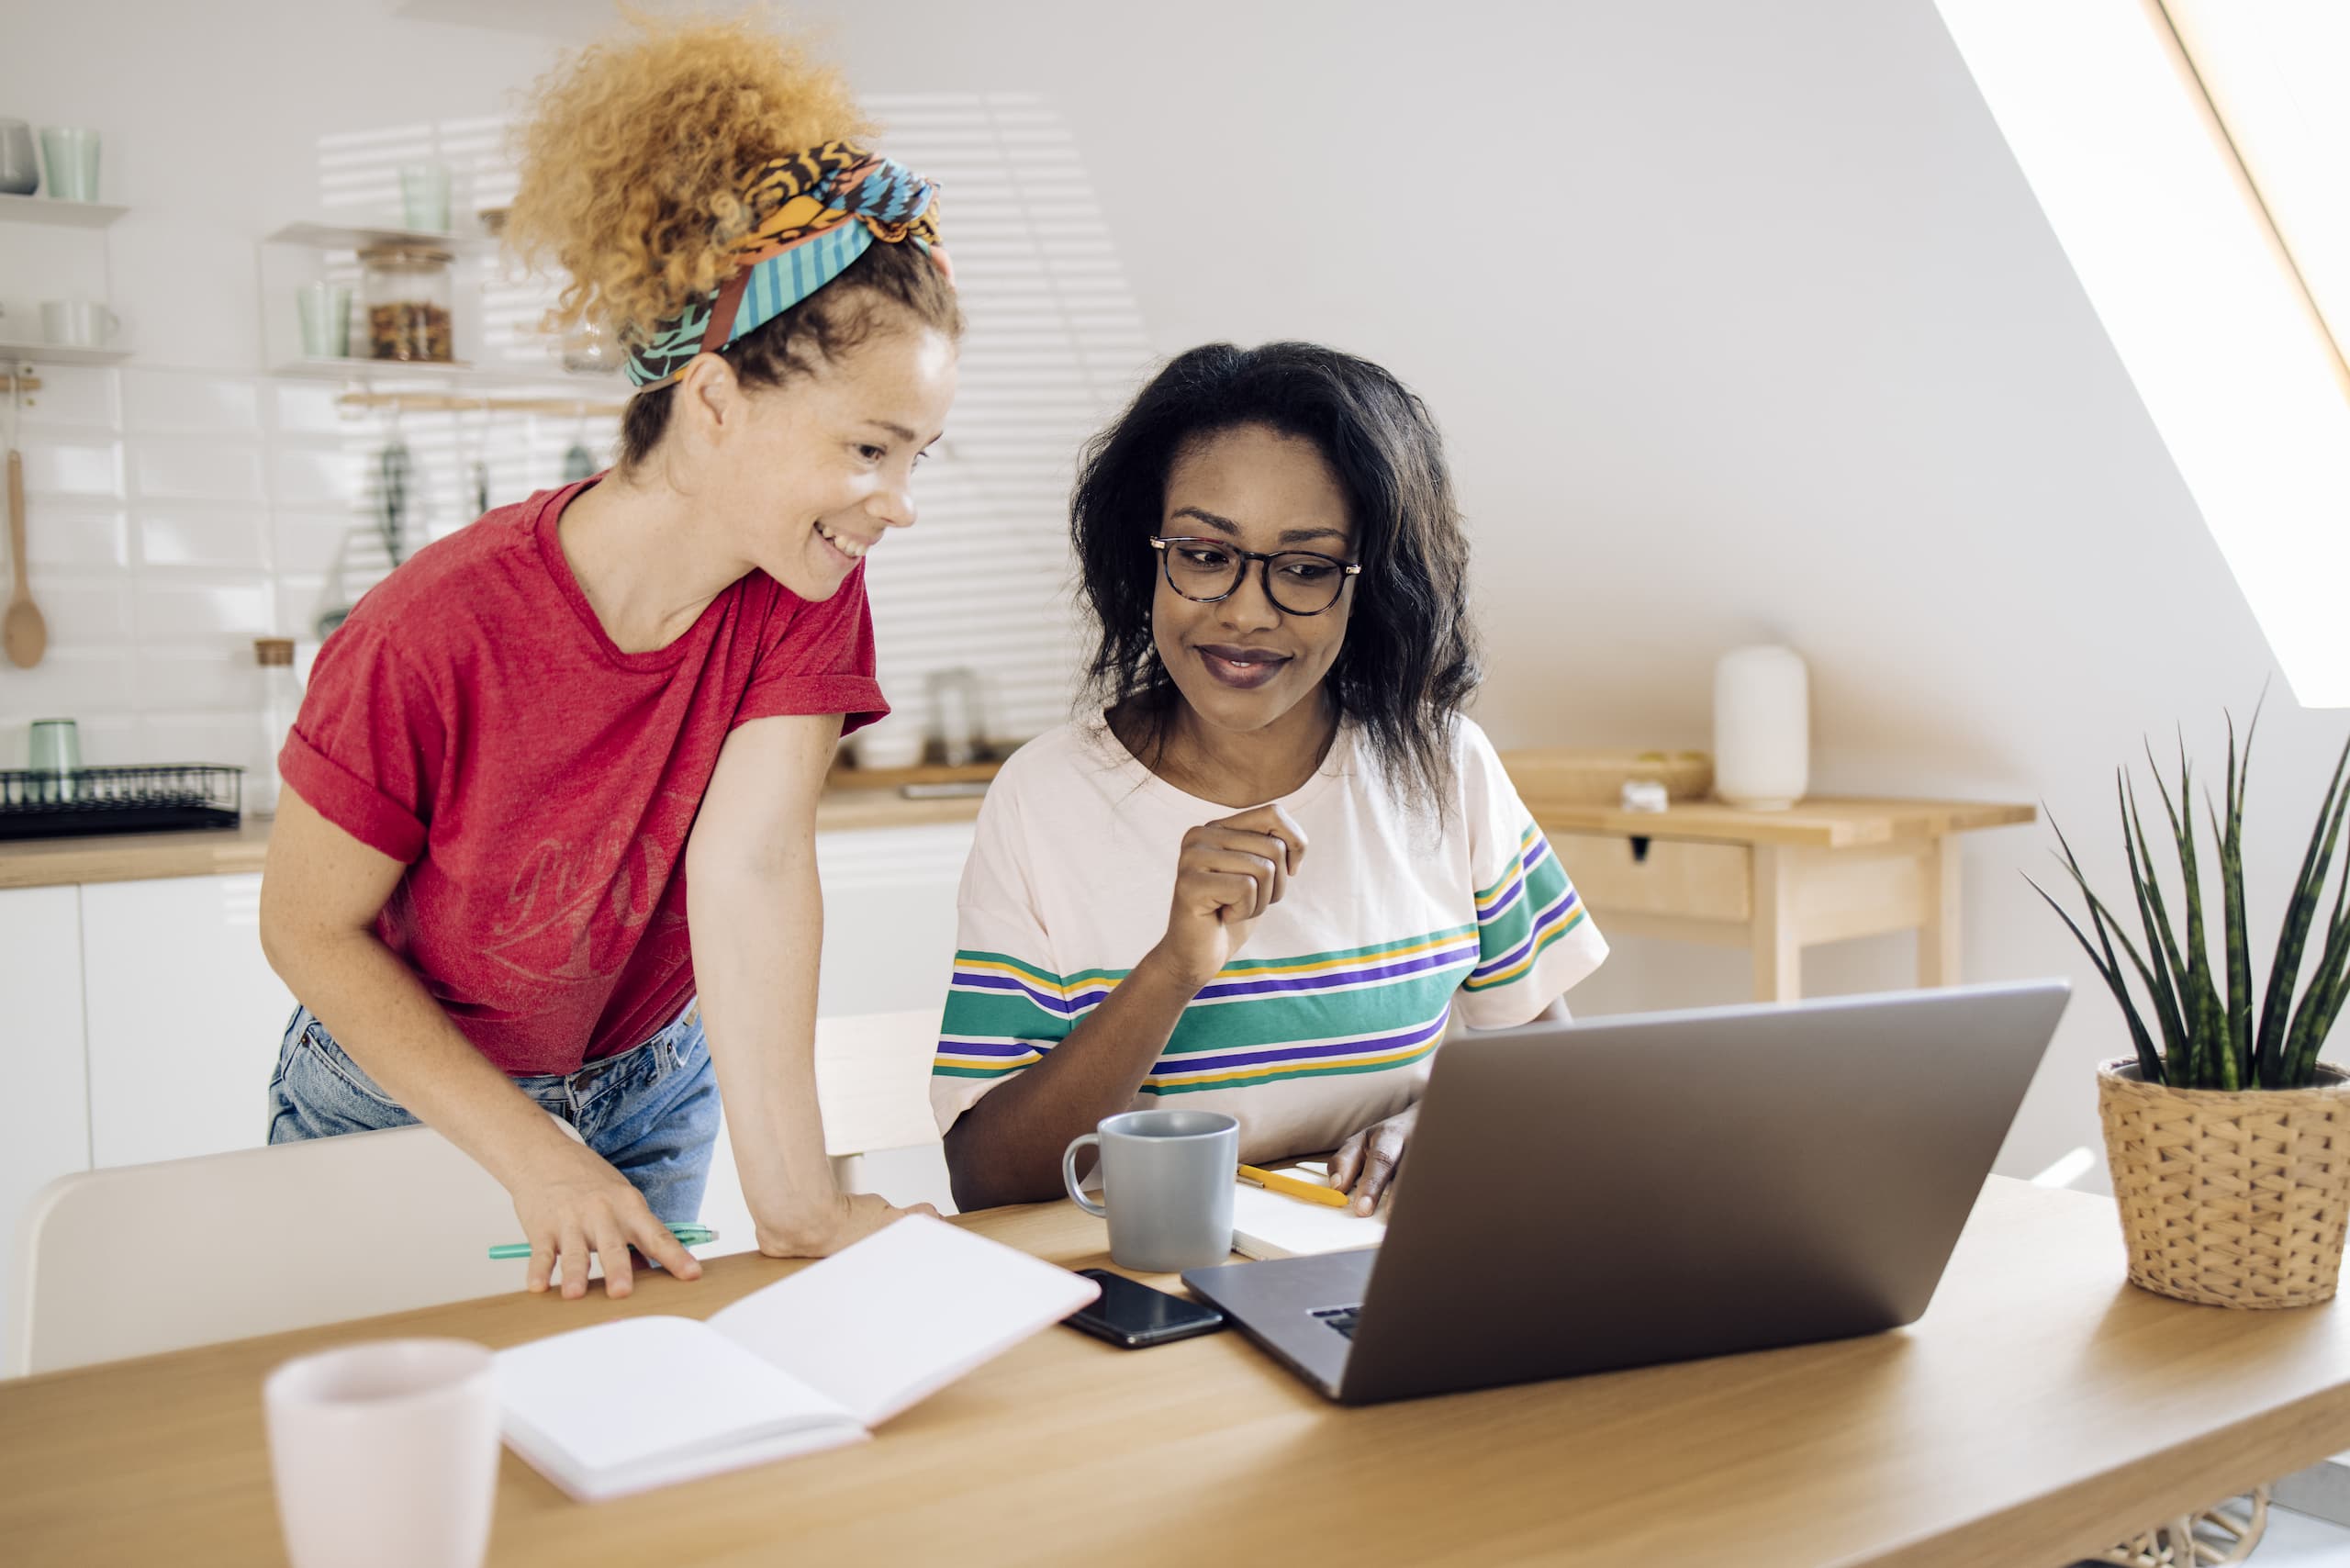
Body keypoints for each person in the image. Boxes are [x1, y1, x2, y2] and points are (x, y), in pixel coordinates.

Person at [257, 16, 959, 1299]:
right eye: (870, 449)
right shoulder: (435, 626)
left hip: (649, 1085)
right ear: (710, 403)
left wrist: (800, 1208)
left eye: (920, 455)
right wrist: (535, 1154)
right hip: (405, 1106)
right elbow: (308, 930)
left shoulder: (804, 589)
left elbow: (747, 871)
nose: (897, 500)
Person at [932, 342, 1608, 1215]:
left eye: (1304, 568)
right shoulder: (1045, 797)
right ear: (1149, 560)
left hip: (1379, 1277)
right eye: (1206, 554)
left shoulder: (1445, 766)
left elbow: (1547, 1071)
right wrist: (1173, 969)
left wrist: (1432, 1119)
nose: (1247, 612)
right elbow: (985, 1178)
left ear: (1370, 585)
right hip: (1144, 1288)